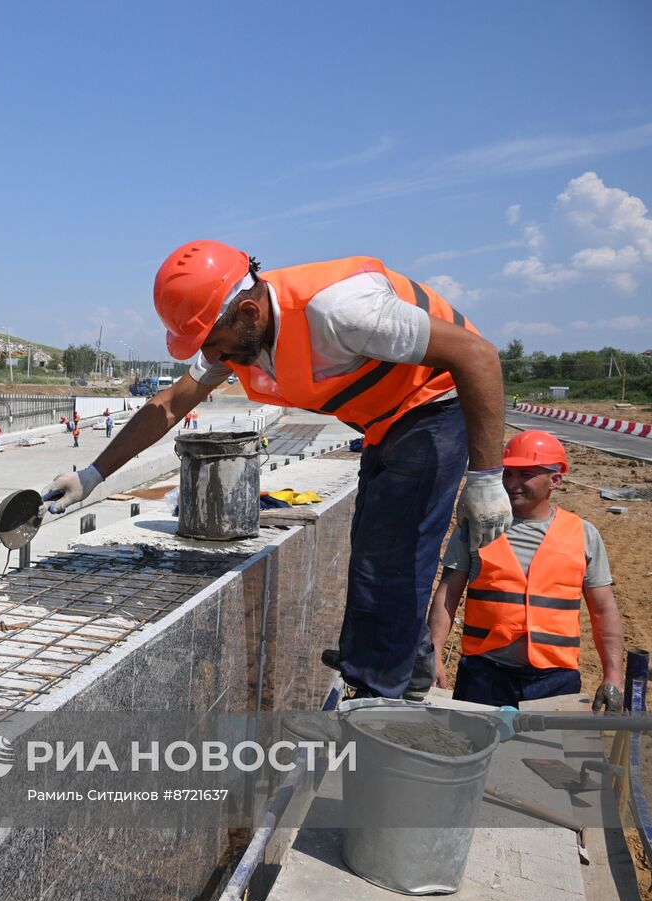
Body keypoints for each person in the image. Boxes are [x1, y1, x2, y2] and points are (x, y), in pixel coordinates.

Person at [42, 240, 508, 700]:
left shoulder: (341, 310)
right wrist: (91, 477)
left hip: (436, 404)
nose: (213, 355)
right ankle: (406, 668)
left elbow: (478, 356)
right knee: (370, 545)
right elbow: (168, 406)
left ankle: (375, 697)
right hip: (385, 420)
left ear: (248, 313)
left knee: (391, 554)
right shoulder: (239, 338)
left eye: (212, 341)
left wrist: (486, 479)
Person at [427, 431, 625, 711]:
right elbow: (448, 594)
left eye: (525, 475)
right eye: (507, 474)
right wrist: (433, 654)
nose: (512, 483)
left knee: (546, 755)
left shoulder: (583, 535)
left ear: (555, 480)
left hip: (555, 680)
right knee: (474, 751)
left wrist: (613, 675)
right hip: (484, 675)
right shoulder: (477, 527)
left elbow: (603, 611)